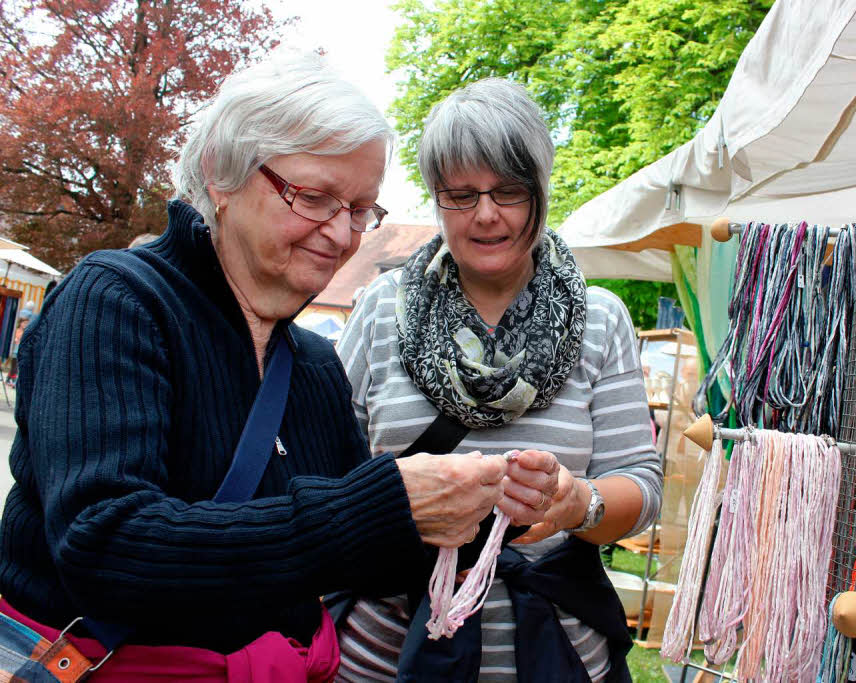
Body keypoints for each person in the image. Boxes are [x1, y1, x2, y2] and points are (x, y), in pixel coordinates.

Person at [0, 53, 559, 682]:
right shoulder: (116, 302)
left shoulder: (315, 365)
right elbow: (106, 546)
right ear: (221, 174)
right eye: (316, 197)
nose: (342, 234)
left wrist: (486, 511)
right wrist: (384, 501)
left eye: (360, 209)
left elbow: (362, 560)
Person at [333, 78, 663, 681]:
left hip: (560, 655)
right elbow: (326, 476)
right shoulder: (381, 309)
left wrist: (576, 502)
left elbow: (640, 487)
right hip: (388, 656)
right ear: (437, 198)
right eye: (461, 195)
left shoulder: (601, 319)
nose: (486, 215)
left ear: (539, 191)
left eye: (508, 191)